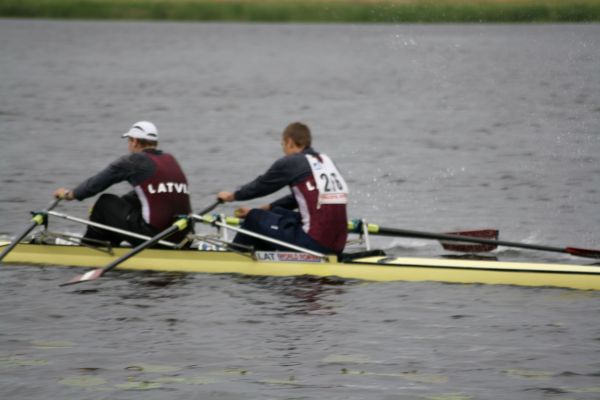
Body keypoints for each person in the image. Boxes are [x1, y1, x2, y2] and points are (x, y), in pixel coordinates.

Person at [53, 121, 192, 246]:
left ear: (135, 141)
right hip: (183, 235)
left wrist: (70, 194)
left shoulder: (134, 160)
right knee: (129, 200)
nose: (128, 146)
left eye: (128, 141)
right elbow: (149, 195)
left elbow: (96, 184)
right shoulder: (170, 159)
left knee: (104, 204)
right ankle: (108, 243)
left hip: (155, 236)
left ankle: (90, 248)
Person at [217, 122, 348, 254]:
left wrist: (232, 196)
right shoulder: (326, 161)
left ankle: (233, 257)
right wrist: (269, 207)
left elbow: (261, 185)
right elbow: (302, 198)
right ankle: (263, 256)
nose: (283, 150)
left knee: (254, 217)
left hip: (314, 244)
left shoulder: (293, 161)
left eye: (283, 145)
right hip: (337, 246)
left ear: (289, 142)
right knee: (276, 212)